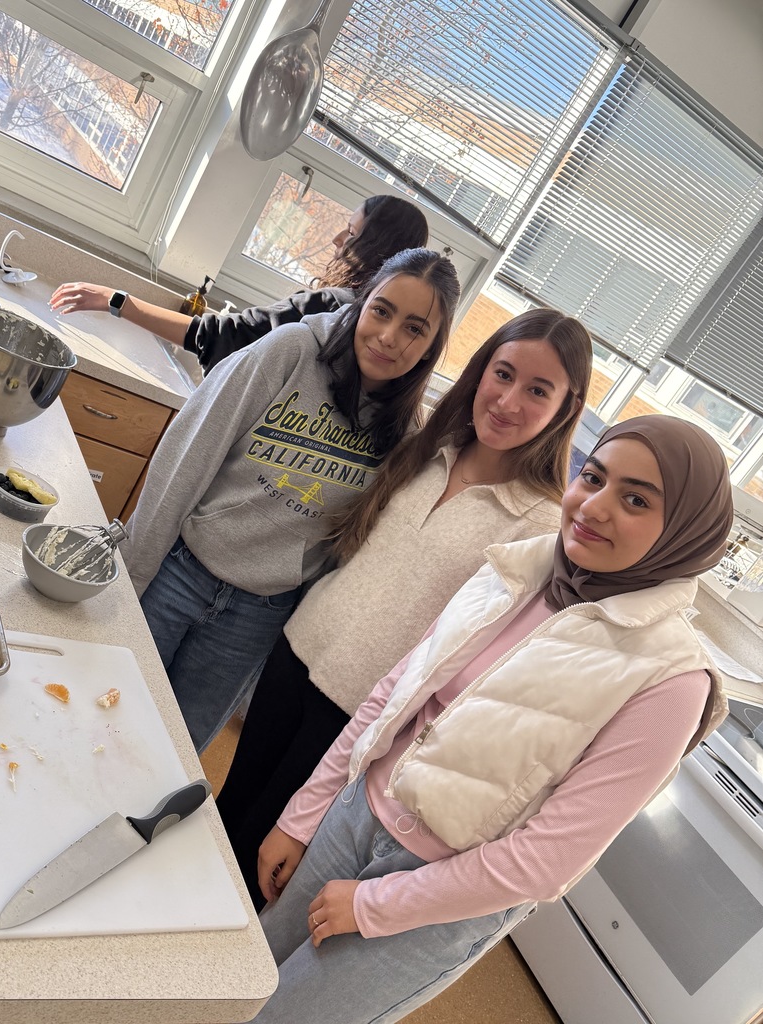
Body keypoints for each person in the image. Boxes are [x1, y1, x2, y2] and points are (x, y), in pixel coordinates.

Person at [248, 415, 733, 1024]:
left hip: (441, 893)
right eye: (594, 477)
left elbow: (545, 860)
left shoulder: (671, 679)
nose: (595, 506)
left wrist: (379, 904)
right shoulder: (522, 568)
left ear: (686, 531)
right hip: (354, 813)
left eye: (636, 499)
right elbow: (395, 695)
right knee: (243, 977)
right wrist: (303, 817)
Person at [216, 307, 593, 906]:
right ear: (480, 371)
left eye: (538, 390)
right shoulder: (427, 448)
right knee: (230, 807)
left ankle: (197, 980)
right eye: (503, 374)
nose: (508, 400)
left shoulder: (542, 525)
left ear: (566, 408)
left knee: (266, 856)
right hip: (298, 653)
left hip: (362, 714)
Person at [119, 248, 461, 752]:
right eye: (382, 310)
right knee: (106, 701)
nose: (389, 337)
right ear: (363, 302)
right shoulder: (291, 351)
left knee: (174, 750)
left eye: (415, 328)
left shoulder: (406, 433)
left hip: (256, 615)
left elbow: (346, 547)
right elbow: (186, 459)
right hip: (179, 572)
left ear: (432, 346)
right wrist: (132, 576)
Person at [48, 195, 430, 373]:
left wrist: (118, 301)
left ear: (373, 245)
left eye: (350, 232)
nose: (336, 241)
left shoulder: (331, 307)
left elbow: (220, 336)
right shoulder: (368, 328)